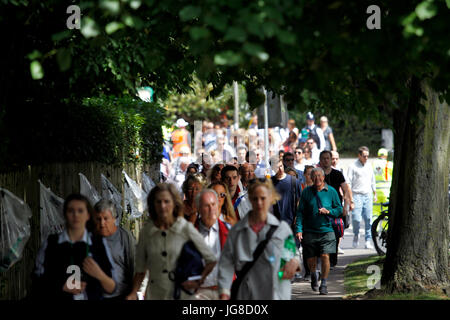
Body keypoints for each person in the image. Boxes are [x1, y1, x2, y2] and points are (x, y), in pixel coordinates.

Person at [126, 183, 217, 300]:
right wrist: (134, 292)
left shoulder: (185, 228)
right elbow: (140, 269)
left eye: (166, 201)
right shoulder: (146, 232)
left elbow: (211, 259)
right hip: (155, 294)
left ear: (174, 203)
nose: (162, 206)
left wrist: (198, 281)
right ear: (153, 204)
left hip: (181, 294)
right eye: (158, 202)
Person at [218, 178, 300, 300]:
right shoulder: (237, 231)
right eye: (255, 199)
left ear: (271, 199)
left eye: (263, 198)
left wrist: (293, 262)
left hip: (276, 293)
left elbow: (291, 256)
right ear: (250, 199)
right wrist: (224, 292)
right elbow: (226, 264)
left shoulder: (282, 230)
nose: (259, 203)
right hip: (247, 294)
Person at [33, 194, 116, 300]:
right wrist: (60, 286)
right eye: (71, 211)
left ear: (88, 215)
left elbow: (112, 287)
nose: (76, 215)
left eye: (80, 211)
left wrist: (99, 274)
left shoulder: (98, 245)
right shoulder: (51, 244)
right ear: (65, 214)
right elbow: (36, 282)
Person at [295, 168, 343, 295]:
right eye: (314, 176)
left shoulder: (331, 191)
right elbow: (300, 212)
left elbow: (339, 209)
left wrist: (329, 212)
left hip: (327, 230)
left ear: (323, 177)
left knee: (325, 255)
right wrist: (299, 229)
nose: (317, 179)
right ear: (310, 177)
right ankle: (313, 273)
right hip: (309, 230)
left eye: (319, 176)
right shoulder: (306, 192)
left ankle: (324, 283)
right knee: (311, 258)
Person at [93, 199, 136, 300]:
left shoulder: (124, 237)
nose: (102, 223)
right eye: (98, 219)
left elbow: (133, 266)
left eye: (105, 218)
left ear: (114, 219)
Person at [193, 189, 231, 300]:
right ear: (199, 209)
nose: (211, 210)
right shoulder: (189, 234)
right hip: (199, 292)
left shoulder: (229, 230)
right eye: (206, 206)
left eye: (213, 204)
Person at [318, 151, 354, 262]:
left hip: (335, 209)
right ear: (320, 160)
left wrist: (346, 206)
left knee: (336, 232)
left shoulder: (337, 174)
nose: (326, 160)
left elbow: (346, 190)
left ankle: (333, 258)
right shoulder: (317, 174)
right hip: (320, 208)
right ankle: (323, 257)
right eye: (323, 158)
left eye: (327, 158)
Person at [347, 146, 377, 249]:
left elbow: (372, 180)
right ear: (359, 155)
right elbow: (348, 183)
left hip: (368, 195)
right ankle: (356, 235)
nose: (366, 158)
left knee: (369, 219)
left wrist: (375, 192)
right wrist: (350, 198)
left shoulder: (369, 165)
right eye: (364, 156)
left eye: (368, 156)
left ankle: (368, 240)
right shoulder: (353, 166)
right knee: (356, 219)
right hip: (357, 195)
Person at [372, 148, 393, 218]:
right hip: (386, 192)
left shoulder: (372, 164)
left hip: (375, 192)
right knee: (386, 210)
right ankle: (386, 228)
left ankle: (375, 228)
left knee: (375, 211)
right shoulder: (389, 164)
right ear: (386, 156)